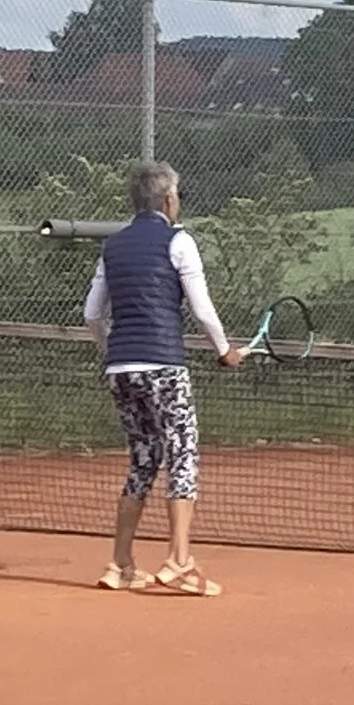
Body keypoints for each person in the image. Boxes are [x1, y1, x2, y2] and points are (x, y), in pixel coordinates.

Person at [85, 161, 243, 593]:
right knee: (183, 455)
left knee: (143, 459)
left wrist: (111, 352)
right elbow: (201, 308)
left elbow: (92, 314)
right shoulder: (179, 241)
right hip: (164, 367)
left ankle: (120, 564)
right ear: (169, 200)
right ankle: (179, 562)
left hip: (121, 370)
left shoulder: (113, 246)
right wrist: (225, 351)